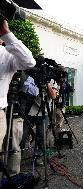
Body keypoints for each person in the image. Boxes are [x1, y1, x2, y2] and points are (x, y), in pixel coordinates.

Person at [0, 20, 36, 176]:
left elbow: (29, 61)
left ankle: (13, 175)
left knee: (14, 144)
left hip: (14, 110)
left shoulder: (8, 57)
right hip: (8, 107)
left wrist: (6, 32)